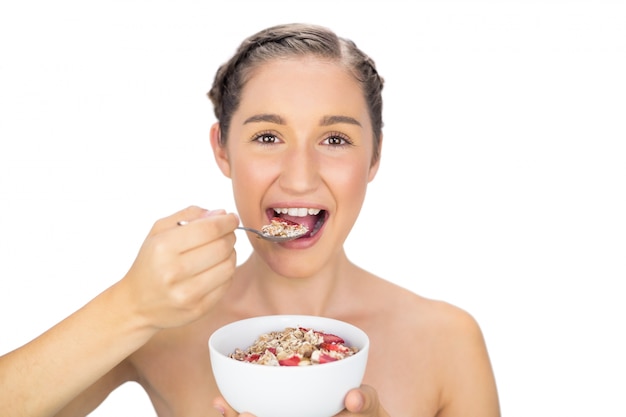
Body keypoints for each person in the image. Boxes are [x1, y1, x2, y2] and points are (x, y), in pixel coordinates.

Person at [0, 23, 500, 417]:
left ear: (373, 159)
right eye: (267, 137)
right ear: (222, 149)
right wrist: (132, 306)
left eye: (335, 140)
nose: (300, 178)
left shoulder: (447, 340)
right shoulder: (161, 326)